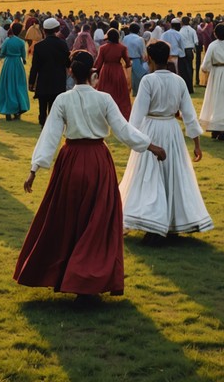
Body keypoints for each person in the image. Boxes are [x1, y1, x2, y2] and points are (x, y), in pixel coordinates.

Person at [14, 50, 166, 299]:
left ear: (71, 72)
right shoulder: (104, 99)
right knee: (97, 221)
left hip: (71, 160)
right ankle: (87, 278)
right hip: (97, 161)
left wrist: (34, 169)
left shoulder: (63, 100)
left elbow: (50, 136)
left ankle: (72, 275)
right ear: (93, 72)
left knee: (69, 220)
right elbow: (124, 131)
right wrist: (152, 146)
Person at [119, 41, 213, 241]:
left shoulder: (148, 81)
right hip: (172, 131)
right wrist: (196, 144)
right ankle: (171, 222)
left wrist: (132, 138)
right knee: (172, 174)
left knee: (149, 175)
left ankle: (153, 225)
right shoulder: (178, 81)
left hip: (151, 129)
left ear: (150, 58)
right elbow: (189, 115)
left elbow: (137, 115)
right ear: (169, 57)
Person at [28, 18, 70, 127]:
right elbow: (68, 63)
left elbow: (35, 67)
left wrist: (31, 82)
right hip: (58, 81)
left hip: (43, 82)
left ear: (44, 30)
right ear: (56, 29)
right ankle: (53, 129)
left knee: (42, 108)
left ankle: (43, 127)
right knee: (54, 107)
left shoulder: (38, 46)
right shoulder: (62, 44)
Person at [93, 28, 132, 119]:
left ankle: (104, 112)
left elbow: (98, 63)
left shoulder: (103, 48)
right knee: (119, 93)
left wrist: (94, 71)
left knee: (106, 91)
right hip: (118, 71)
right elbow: (128, 62)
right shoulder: (122, 48)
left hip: (106, 70)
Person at [0, 22, 30, 121]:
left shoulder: (7, 40)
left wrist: (2, 56)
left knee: (7, 86)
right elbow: (23, 56)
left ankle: (7, 110)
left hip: (8, 64)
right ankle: (18, 110)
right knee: (19, 86)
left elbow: (2, 53)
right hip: (18, 65)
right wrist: (23, 60)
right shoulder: (21, 42)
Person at [122, 23, 148, 95]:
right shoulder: (140, 39)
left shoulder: (125, 38)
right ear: (138, 31)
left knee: (127, 81)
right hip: (136, 61)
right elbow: (143, 54)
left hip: (125, 61)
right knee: (138, 82)